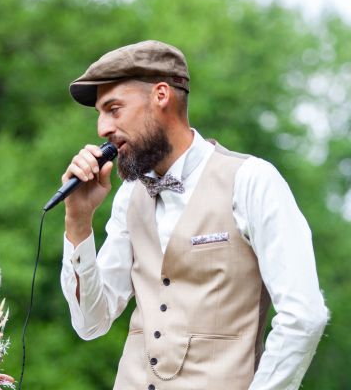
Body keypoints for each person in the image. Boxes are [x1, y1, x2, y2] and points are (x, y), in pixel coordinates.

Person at [59, 40, 328, 390]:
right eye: (99, 114)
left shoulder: (252, 180)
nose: (102, 129)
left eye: (113, 109)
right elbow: (91, 323)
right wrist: (78, 222)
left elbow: (303, 317)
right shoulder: (129, 196)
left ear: (160, 96)